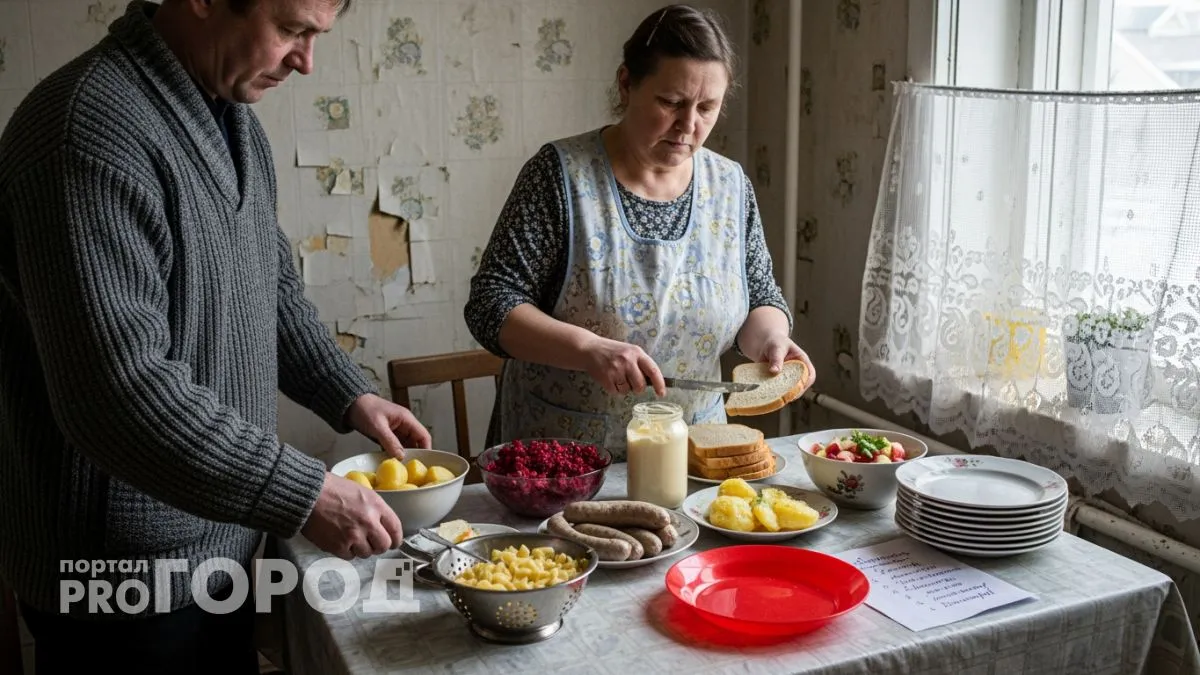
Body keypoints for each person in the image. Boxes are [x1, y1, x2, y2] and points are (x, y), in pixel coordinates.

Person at [0, 0, 431, 672]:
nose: (305, 61)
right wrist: (305, 493)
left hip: (218, 542)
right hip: (118, 585)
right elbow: (116, 395)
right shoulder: (83, 130)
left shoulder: (234, 122)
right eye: (290, 29)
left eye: (317, 35)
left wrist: (349, 395)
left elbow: (271, 289)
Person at [466, 4, 816, 459]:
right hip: (564, 456)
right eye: (671, 102)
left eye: (707, 107)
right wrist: (588, 348)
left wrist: (771, 340)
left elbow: (760, 297)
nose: (689, 126)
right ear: (626, 83)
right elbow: (491, 304)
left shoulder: (731, 186)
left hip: (694, 453)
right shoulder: (559, 176)